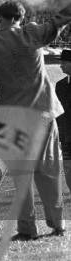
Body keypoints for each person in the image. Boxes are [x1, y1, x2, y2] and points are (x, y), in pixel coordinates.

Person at [0, 0, 70, 240]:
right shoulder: (32, 33)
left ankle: (26, 229)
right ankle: (57, 224)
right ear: (20, 18)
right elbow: (59, 21)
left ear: (0, 17)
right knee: (49, 172)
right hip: (44, 115)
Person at [55, 49, 71, 195]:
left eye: (64, 62)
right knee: (67, 168)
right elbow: (58, 113)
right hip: (66, 136)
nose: (61, 66)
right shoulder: (59, 86)